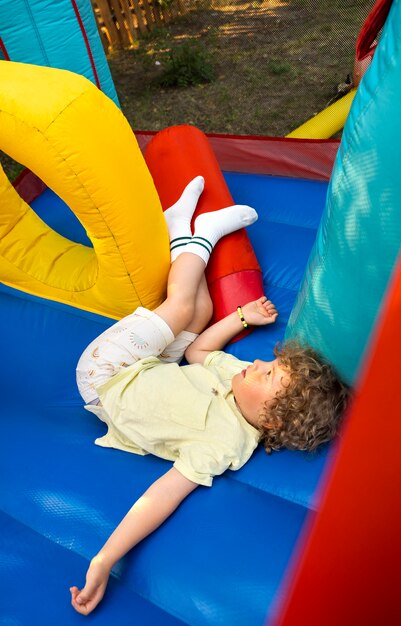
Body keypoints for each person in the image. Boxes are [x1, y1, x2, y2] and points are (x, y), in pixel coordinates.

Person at [70, 176, 349, 615]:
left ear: (272, 420)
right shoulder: (239, 376)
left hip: (106, 372)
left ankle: (201, 234)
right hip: (152, 366)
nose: (256, 363)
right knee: (200, 314)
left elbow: (160, 496)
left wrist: (104, 559)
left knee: (182, 307)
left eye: (268, 374)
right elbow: (200, 351)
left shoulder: (224, 444)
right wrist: (241, 316)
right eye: (268, 363)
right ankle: (182, 227)